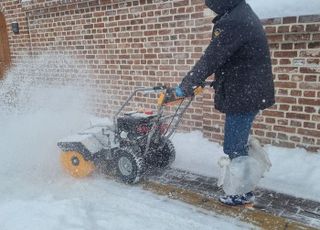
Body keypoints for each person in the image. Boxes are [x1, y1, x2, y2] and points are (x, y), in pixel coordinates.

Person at [175, 0, 275, 206]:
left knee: (234, 147)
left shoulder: (234, 21)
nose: (208, 7)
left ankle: (240, 193)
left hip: (244, 95)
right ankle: (245, 187)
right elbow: (236, 59)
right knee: (239, 144)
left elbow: (212, 57)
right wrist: (216, 81)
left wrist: (186, 85)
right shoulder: (242, 13)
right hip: (249, 91)